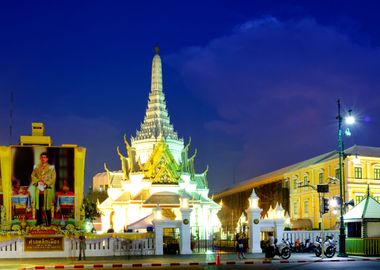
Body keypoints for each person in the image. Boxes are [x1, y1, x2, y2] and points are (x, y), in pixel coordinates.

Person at [31, 152, 56, 226]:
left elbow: (53, 178)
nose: (43, 159)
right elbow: (32, 176)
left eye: (44, 157)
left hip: (47, 190)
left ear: (47, 159)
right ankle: (39, 222)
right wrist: (38, 181)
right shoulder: (36, 167)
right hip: (38, 190)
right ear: (40, 158)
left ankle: (48, 223)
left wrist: (45, 182)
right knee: (38, 207)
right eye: (42, 157)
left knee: (47, 207)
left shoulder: (51, 168)